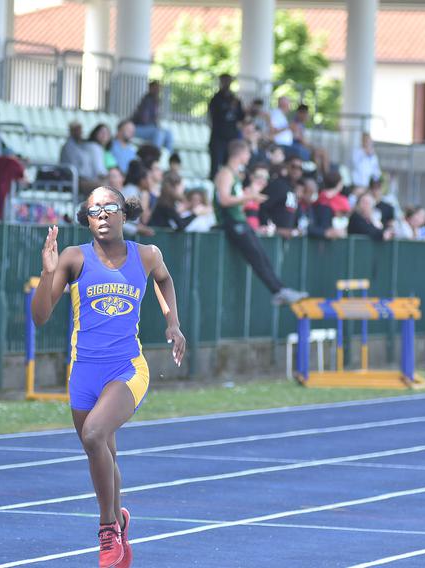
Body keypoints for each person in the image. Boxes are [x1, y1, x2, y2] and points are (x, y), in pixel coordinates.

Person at [31, 186, 186, 568]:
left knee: (95, 434)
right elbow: (39, 316)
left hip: (127, 368)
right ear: (85, 218)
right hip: (83, 372)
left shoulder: (146, 255)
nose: (101, 214)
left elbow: (164, 280)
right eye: (93, 209)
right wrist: (47, 274)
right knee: (103, 453)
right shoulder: (72, 258)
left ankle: (107, 530)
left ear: (123, 214)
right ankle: (120, 521)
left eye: (109, 207)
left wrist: (173, 323)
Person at [215, 139, 306, 305]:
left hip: (239, 221)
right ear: (241, 154)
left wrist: (249, 195)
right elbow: (224, 200)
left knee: (262, 255)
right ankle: (278, 290)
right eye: (248, 153)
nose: (249, 156)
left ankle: (279, 289)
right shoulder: (226, 173)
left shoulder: (233, 174)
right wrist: (250, 197)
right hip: (232, 222)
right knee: (256, 256)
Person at [207, 74, 244, 179]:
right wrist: (228, 108)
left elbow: (241, 116)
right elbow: (214, 115)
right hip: (218, 137)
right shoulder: (216, 99)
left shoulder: (235, 99)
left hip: (231, 137)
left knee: (230, 163)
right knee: (216, 164)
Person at [60, 121, 105, 191]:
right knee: (102, 187)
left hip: (86, 178)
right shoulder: (68, 147)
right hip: (75, 179)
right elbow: (75, 166)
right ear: (71, 131)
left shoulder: (83, 145)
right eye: (76, 130)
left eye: (79, 129)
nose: (79, 132)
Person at [130, 80, 174, 152]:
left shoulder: (156, 101)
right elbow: (144, 120)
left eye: (159, 88)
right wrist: (155, 124)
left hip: (149, 128)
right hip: (138, 128)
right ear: (150, 88)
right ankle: (153, 158)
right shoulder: (147, 100)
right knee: (159, 132)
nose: (158, 90)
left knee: (168, 133)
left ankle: (169, 158)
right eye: (156, 88)